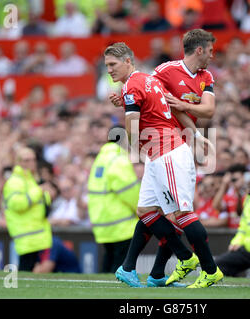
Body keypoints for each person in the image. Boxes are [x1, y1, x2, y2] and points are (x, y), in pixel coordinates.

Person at [104, 42, 223, 288]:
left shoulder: (132, 84)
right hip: (162, 153)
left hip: (166, 152)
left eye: (113, 65)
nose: (109, 70)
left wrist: (134, 149)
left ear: (128, 61)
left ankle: (210, 269)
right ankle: (184, 258)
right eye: (106, 66)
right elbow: (157, 109)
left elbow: (132, 123)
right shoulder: (149, 80)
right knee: (146, 211)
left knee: (181, 214)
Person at [87, 127, 141, 273]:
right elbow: (130, 192)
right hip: (121, 224)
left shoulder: (101, 158)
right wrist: (140, 209)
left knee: (109, 259)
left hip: (103, 222)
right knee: (119, 265)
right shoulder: (119, 160)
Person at [3, 147, 54, 271]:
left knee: (32, 270)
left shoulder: (31, 179)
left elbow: (42, 203)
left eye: (33, 160)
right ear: (18, 162)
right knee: (26, 269)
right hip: (26, 235)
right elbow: (17, 204)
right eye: (26, 160)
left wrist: (47, 194)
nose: (31, 163)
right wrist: (39, 191)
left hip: (36, 234)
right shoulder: (15, 181)